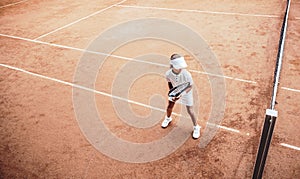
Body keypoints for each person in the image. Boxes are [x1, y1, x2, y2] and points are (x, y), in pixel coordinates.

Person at [161, 54, 201, 139]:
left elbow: (190, 86)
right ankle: (168, 118)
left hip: (186, 92)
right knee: (170, 106)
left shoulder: (187, 74)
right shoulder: (168, 74)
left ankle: (196, 127)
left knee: (190, 110)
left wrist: (181, 94)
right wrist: (173, 93)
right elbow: (170, 83)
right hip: (176, 91)